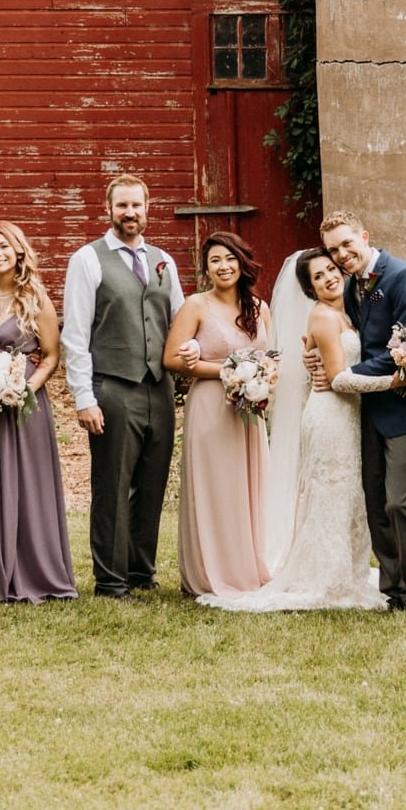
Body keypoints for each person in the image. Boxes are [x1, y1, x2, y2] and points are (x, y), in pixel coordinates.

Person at [200, 249, 389, 612]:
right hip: (331, 417)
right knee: (331, 496)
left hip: (349, 417)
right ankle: (326, 580)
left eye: (331, 270)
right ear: (309, 287)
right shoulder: (322, 316)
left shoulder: (348, 312)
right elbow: (339, 380)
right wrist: (395, 379)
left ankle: (349, 573)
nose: (328, 278)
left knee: (349, 498)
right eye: (318, 276)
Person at [61, 173, 186, 599]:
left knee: (152, 482)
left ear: (147, 208)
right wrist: (84, 397)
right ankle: (110, 580)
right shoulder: (88, 259)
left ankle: (141, 571)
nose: (129, 213)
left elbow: (182, 319)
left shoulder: (163, 259)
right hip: (112, 385)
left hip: (159, 386)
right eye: (122, 206)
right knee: (113, 484)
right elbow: (75, 335)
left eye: (136, 205)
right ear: (109, 209)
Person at [318, 211, 406, 610]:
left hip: (405, 402)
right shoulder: (351, 286)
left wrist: (343, 373)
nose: (341, 254)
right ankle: (392, 587)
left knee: (401, 502)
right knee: (375, 502)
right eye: (334, 250)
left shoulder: (403, 276)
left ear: (364, 236)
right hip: (368, 405)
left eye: (347, 244)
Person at [0, 221, 77, 604]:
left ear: (19, 251)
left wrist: (26, 387)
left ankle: (34, 572)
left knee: (28, 485)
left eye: (4, 247)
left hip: (24, 402)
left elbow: (52, 355)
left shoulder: (35, 298)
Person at [165, 232, 273, 598]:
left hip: (250, 409)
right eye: (215, 260)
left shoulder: (260, 307)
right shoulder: (196, 305)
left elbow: (272, 360)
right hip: (211, 407)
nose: (223, 266)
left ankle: (248, 566)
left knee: (247, 488)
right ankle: (210, 573)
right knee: (216, 489)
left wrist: (260, 379)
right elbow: (171, 360)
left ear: (243, 262)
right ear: (206, 268)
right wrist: (230, 370)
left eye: (230, 258)